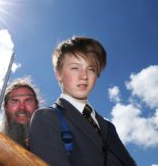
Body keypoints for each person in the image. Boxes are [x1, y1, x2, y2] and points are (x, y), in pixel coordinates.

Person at [29, 36, 136, 166]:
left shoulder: (108, 127)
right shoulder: (46, 118)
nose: (84, 76)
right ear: (58, 73)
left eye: (91, 69)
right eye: (75, 68)